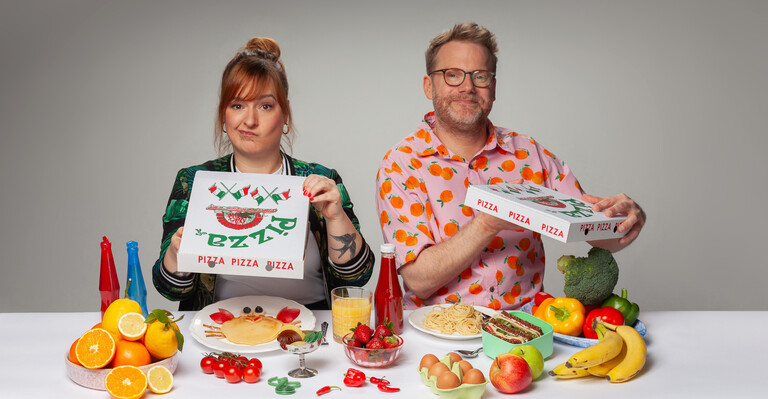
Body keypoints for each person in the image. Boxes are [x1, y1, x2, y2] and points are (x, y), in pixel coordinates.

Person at [376, 23, 645, 310]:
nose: (467, 87)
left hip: (528, 327)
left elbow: (593, 232)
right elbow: (418, 279)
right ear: (429, 85)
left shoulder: (528, 152)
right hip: (436, 332)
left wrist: (623, 222)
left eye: (480, 76)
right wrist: (488, 223)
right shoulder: (401, 164)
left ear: (492, 87)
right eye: (452, 75)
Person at [153, 37, 374, 311]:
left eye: (265, 106)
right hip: (219, 329)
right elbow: (170, 289)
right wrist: (178, 252)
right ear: (224, 116)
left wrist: (336, 217)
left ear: (286, 115)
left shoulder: (320, 180)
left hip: (309, 330)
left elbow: (357, 278)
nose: (249, 120)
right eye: (237, 105)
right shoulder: (194, 181)